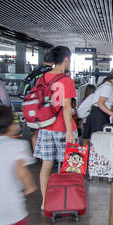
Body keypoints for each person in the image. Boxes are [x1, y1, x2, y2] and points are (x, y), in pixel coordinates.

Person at [33, 46, 79, 208]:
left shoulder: (43, 78)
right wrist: (69, 132)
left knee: (46, 164)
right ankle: (65, 200)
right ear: (66, 59)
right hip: (62, 128)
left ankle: (45, 202)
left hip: (46, 127)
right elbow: (66, 107)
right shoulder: (66, 80)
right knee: (69, 165)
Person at [80, 69, 113, 137]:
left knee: (98, 137)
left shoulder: (108, 86)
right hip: (98, 115)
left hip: (98, 113)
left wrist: (112, 107)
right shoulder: (107, 87)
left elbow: (103, 102)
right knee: (99, 137)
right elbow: (100, 103)